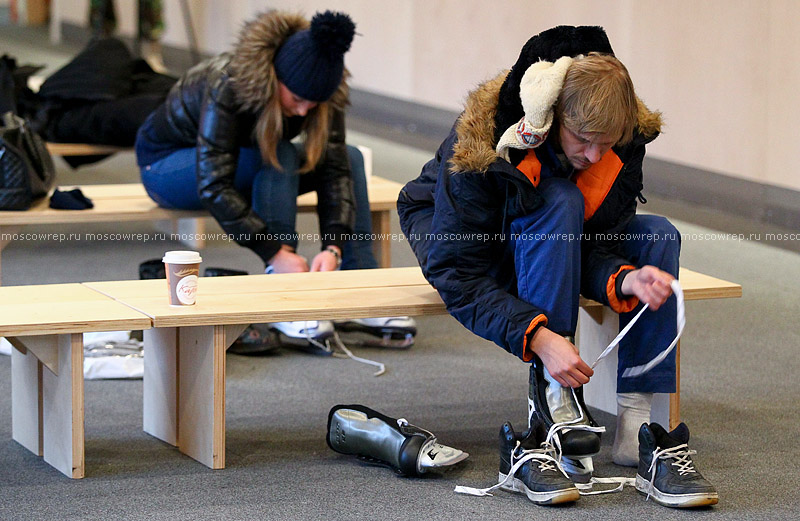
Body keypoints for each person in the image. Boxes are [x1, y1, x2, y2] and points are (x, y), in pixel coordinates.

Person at [398, 25, 717, 507]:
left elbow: (592, 240)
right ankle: (552, 404)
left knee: (657, 237)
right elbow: (458, 276)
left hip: (552, 231)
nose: (595, 156)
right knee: (560, 197)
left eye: (607, 144)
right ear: (548, 117)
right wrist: (542, 339)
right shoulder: (479, 151)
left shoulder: (619, 145)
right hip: (467, 236)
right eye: (584, 140)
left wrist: (625, 277)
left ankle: (638, 425)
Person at [135, 10, 415, 354]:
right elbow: (213, 182)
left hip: (240, 161)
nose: (302, 111)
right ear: (275, 78)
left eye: (313, 104)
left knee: (349, 157)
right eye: (297, 99)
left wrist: (333, 248)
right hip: (166, 166)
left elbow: (336, 169)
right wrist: (274, 251)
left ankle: (358, 283)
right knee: (277, 152)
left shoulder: (325, 88)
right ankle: (283, 287)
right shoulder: (230, 82)